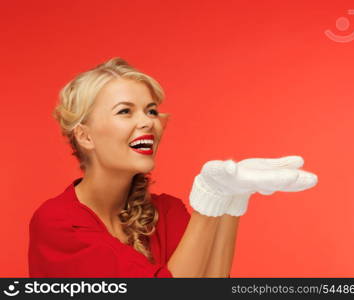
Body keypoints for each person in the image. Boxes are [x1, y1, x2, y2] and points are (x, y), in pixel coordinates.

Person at [28, 57, 318, 278]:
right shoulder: (58, 223)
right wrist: (208, 202)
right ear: (85, 135)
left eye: (151, 110)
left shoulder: (167, 213)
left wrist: (231, 200)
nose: (148, 123)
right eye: (125, 111)